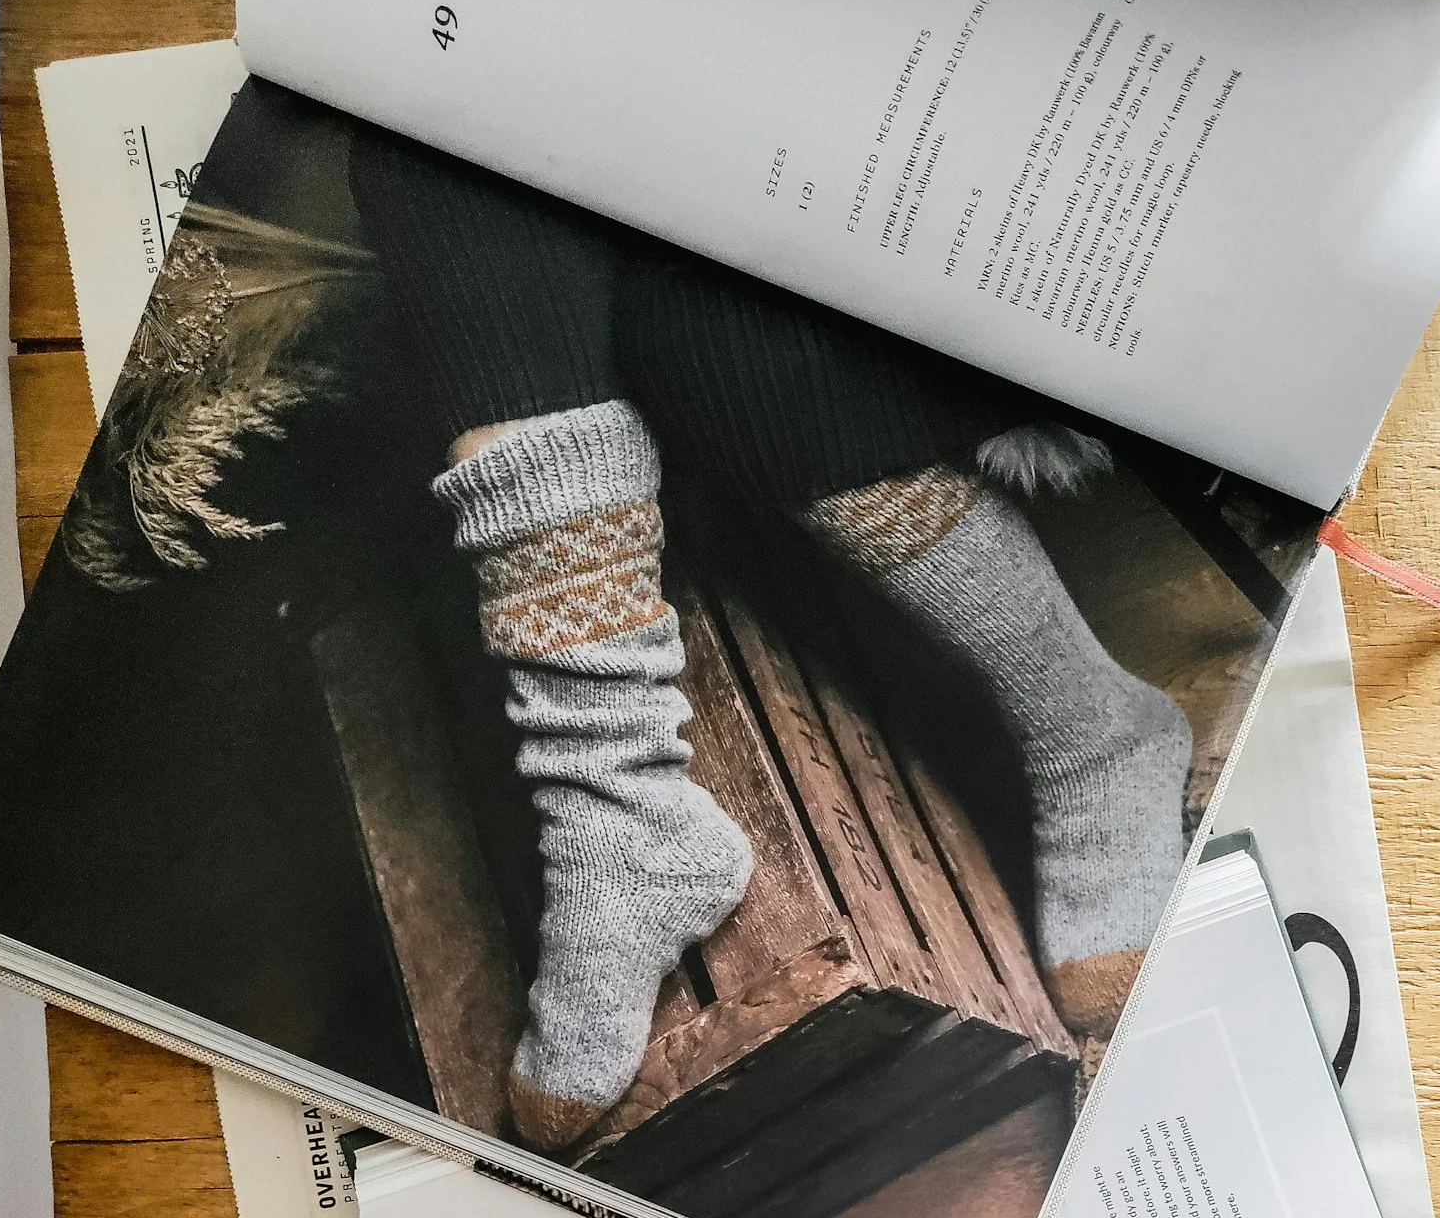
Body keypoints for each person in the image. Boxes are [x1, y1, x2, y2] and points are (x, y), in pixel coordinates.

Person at [68, 96, 1194, 1153]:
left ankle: (1087, 720)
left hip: (929, 170)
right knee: (438, 158)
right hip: (663, 136)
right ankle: (616, 800)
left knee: (703, 324)